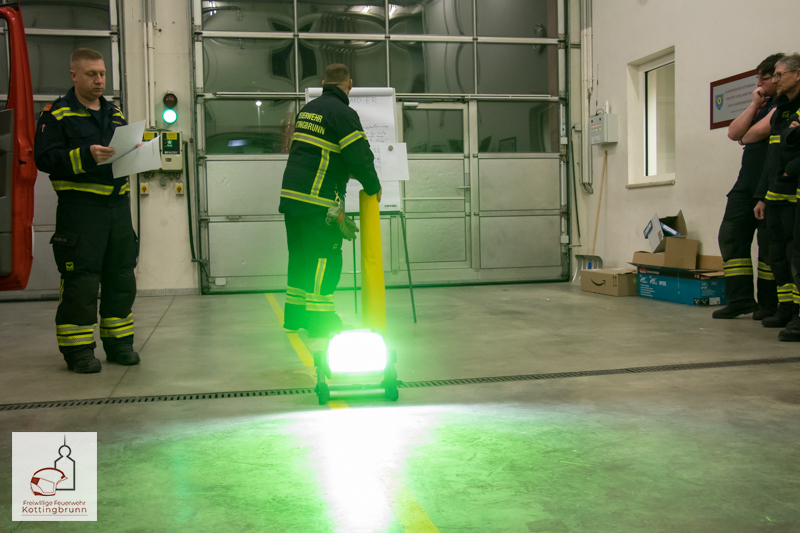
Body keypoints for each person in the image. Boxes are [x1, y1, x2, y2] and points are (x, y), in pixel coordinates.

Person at [34, 48, 140, 373]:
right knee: (81, 282)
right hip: (80, 212)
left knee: (121, 277)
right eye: (92, 74)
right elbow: (45, 158)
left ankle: (119, 343)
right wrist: (84, 155)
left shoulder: (115, 113)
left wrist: (138, 153)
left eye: (102, 73)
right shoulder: (57, 114)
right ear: (74, 75)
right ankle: (78, 350)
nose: (99, 80)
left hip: (117, 209)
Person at [278, 64, 382, 341]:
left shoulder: (308, 111)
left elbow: (319, 152)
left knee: (300, 257)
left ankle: (295, 316)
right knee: (325, 258)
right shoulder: (342, 113)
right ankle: (321, 320)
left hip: (292, 198)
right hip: (318, 201)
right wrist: (373, 186)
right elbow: (359, 154)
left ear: (324, 83)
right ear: (350, 84)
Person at [713, 54, 783, 320]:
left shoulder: (786, 104)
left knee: (768, 246)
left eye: (764, 78)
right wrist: (754, 104)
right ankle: (740, 300)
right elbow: (734, 132)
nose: (759, 84)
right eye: (758, 78)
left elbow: (755, 133)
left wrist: (746, 136)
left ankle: (769, 304)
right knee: (731, 235)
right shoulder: (762, 104)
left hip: (770, 183)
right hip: (746, 183)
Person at [753, 53, 800, 330]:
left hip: (794, 194)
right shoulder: (781, 109)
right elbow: (771, 157)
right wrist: (762, 195)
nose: (776, 80)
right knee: (778, 255)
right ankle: (786, 308)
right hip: (775, 196)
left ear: (798, 75)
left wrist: (789, 172)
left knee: (796, 256)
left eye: (780, 75)